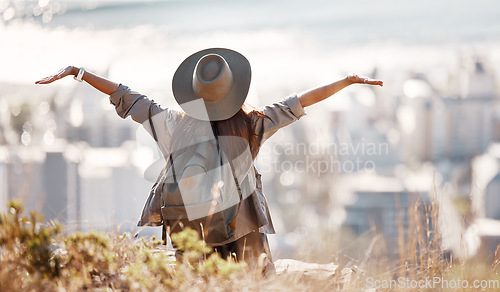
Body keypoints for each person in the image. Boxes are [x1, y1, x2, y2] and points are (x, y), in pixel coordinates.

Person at [36, 48, 383, 274]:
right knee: (261, 277)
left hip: (191, 236)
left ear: (195, 92)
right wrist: (348, 82)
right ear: (233, 91)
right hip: (242, 235)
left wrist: (79, 72)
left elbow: (128, 98)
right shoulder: (251, 124)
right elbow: (299, 103)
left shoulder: (173, 125)